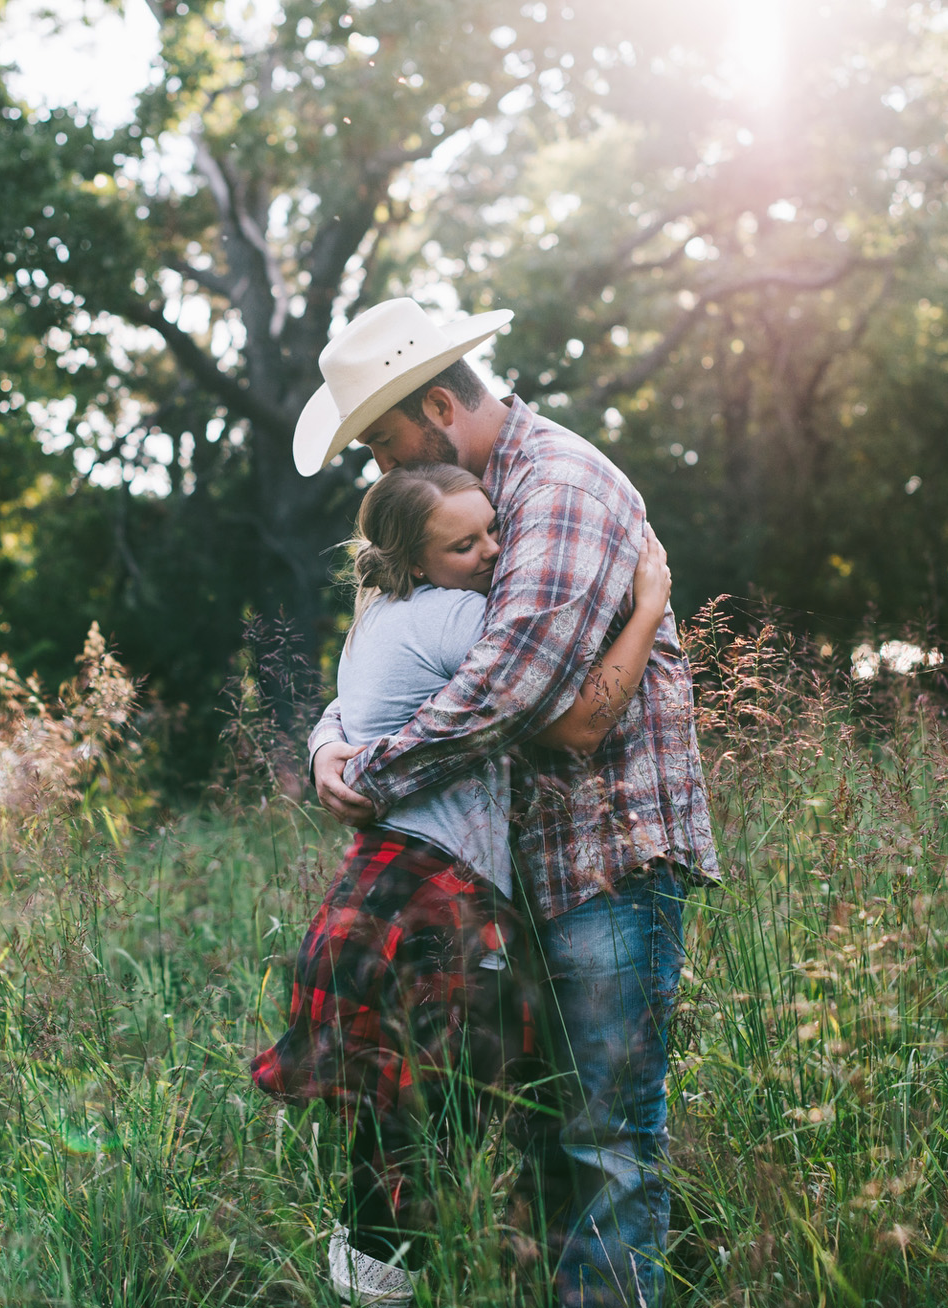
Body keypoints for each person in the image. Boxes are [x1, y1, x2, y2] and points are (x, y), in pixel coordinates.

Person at [294, 297, 722, 1308]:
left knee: (606, 1140)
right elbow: (392, 657)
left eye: (386, 443)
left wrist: (371, 776)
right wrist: (329, 745)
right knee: (540, 1130)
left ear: (439, 405)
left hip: (602, 864)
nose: (381, 472)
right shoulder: (470, 513)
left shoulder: (557, 488)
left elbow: (515, 694)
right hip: (515, 874)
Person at [252, 461, 675, 1305]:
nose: (492, 549)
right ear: (415, 560)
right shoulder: (462, 616)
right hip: (431, 900)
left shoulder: (381, 617)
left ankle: (369, 1284)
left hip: (381, 886)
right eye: (464, 542)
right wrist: (651, 604)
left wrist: (326, 743)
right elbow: (580, 717)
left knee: (394, 1144)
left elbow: (348, 708)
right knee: (430, 1140)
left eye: (492, 528)